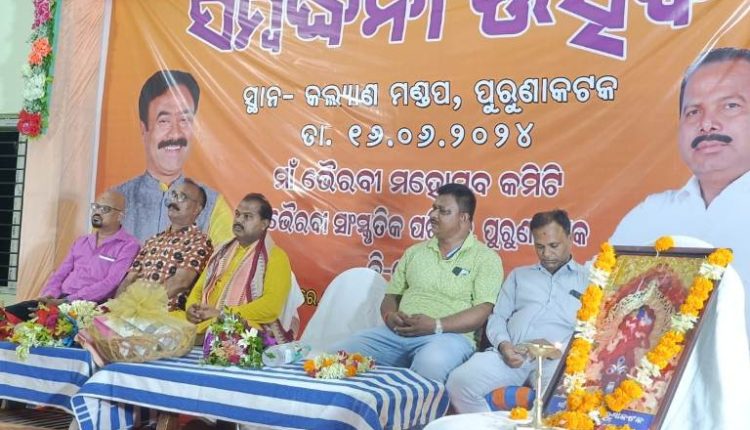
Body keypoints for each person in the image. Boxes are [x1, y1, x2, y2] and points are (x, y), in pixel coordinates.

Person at [610, 48, 750, 429]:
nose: (707, 124)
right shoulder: (649, 215)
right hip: (639, 409)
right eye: (693, 112)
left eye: (730, 106)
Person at [330, 183, 504, 382]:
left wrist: (436, 325)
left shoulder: (486, 258)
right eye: (434, 208)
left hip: (448, 338)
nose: (433, 215)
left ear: (463, 218)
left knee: (430, 364)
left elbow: (482, 311)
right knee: (338, 356)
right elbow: (391, 295)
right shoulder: (415, 252)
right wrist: (389, 316)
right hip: (396, 335)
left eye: (443, 211)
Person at [446, 209, 587, 413]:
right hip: (513, 354)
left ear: (570, 239)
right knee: (458, 383)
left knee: (560, 403)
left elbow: (594, 332)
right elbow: (498, 317)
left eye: (553, 246)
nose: (546, 254)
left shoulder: (590, 280)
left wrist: (562, 350)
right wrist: (504, 345)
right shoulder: (519, 276)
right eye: (539, 247)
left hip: (557, 361)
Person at [115, 69, 232, 245]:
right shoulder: (117, 200)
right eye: (164, 121)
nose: (176, 133)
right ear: (143, 128)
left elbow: (230, 258)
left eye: (184, 120)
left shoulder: (213, 205)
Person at [174, 193, 294, 343]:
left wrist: (222, 314)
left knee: (223, 329)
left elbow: (270, 307)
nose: (239, 220)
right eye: (237, 214)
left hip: (239, 327)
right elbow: (199, 289)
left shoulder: (275, 257)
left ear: (264, 224)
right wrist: (192, 309)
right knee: (164, 319)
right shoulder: (221, 251)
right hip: (205, 321)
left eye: (247, 216)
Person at [4, 191, 139, 320]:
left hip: (88, 308)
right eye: (96, 207)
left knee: (43, 324)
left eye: (105, 209)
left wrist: (67, 301)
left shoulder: (129, 245)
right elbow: (60, 274)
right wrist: (49, 296)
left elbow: (110, 283)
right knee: (7, 315)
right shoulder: (82, 241)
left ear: (120, 216)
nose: (97, 212)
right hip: (58, 300)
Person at [117, 179, 212, 310]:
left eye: (182, 197)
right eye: (173, 195)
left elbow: (180, 283)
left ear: (197, 209)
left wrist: (141, 306)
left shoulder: (199, 241)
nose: (174, 201)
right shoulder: (153, 240)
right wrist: (116, 306)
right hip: (130, 308)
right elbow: (129, 279)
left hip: (163, 313)